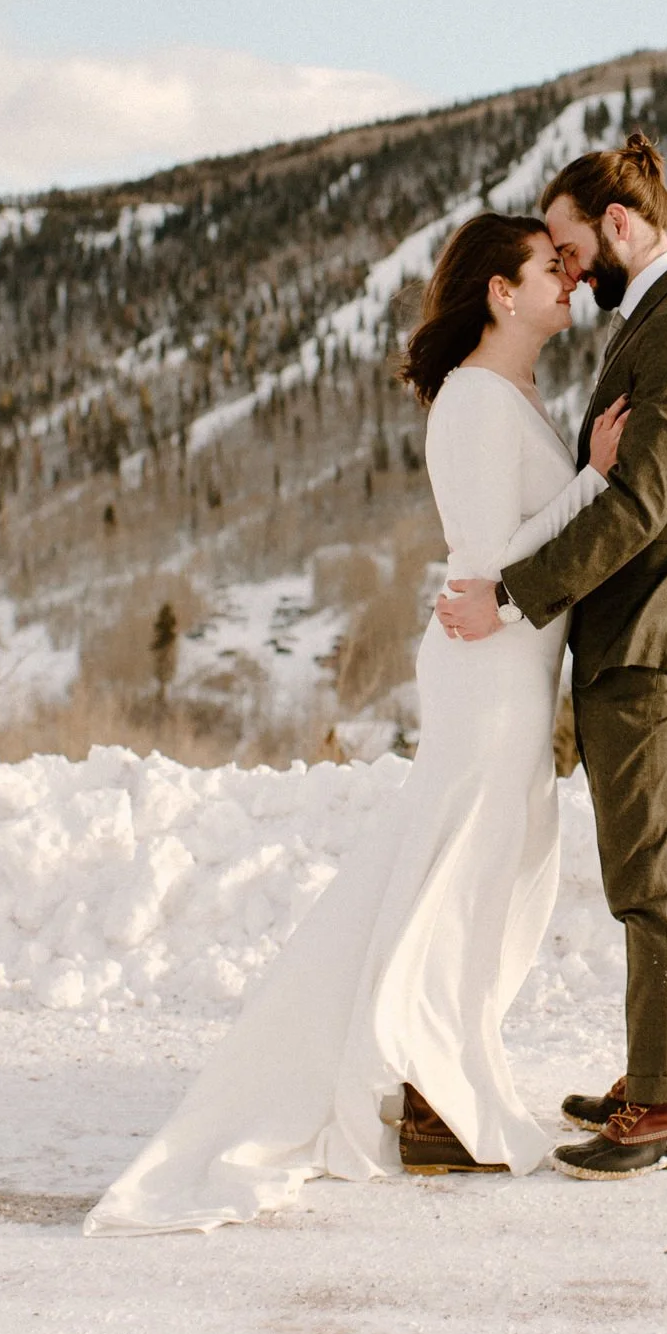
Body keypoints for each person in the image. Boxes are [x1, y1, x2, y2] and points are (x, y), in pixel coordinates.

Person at [84, 211, 628, 1234]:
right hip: (488, 673)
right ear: (500, 293)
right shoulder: (472, 398)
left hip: (513, 668)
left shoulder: (510, 391)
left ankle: (433, 1079)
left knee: (486, 876)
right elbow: (486, 552)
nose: (570, 282)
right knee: (458, 878)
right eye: (549, 269)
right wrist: (596, 481)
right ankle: (420, 1090)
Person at [436, 135, 667, 1179]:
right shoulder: (660, 321)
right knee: (642, 864)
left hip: (653, 633)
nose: (570, 271)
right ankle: (661, 1063)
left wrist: (515, 593)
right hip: (638, 630)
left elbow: (639, 502)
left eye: (573, 248)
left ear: (619, 225)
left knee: (649, 873)